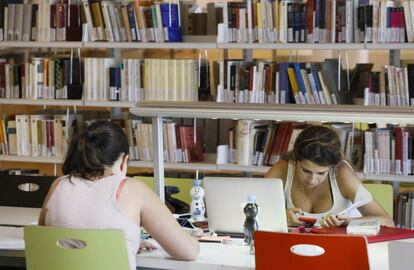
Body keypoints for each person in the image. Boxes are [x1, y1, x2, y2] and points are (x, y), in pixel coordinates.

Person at [38, 120, 199, 270]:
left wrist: (125, 243)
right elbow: (188, 252)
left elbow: (46, 236)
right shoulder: (133, 189)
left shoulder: (58, 185)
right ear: (123, 160)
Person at [265, 125, 394, 228]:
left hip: (339, 249)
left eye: (321, 173)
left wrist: (348, 222)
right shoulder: (283, 168)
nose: (312, 180)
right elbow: (251, 212)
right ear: (295, 160)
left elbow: (387, 222)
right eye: (305, 170)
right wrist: (282, 217)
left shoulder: (343, 174)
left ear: (332, 167)